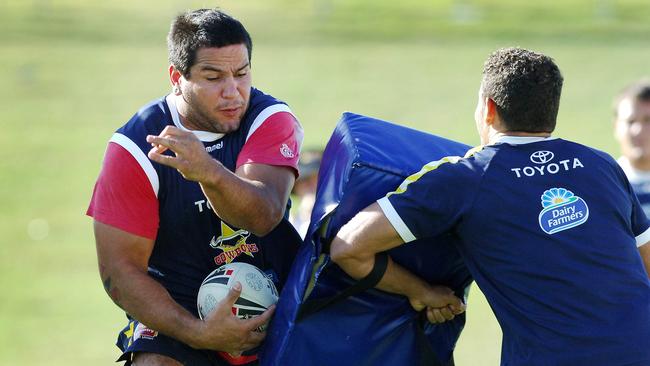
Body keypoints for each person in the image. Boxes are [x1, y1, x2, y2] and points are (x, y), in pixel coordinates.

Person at [330, 47, 650, 365]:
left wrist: (422, 292)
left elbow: (348, 247)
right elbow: (645, 263)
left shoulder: (464, 178)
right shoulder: (603, 165)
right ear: (552, 108)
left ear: (488, 109)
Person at [86, 9, 303, 366]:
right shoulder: (135, 148)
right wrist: (197, 333)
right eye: (213, 77)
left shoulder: (269, 119)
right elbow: (120, 271)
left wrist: (208, 172)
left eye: (242, 73)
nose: (233, 92)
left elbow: (263, 216)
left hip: (279, 300)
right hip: (178, 310)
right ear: (177, 77)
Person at [614, 79, 650, 216]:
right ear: (615, 126)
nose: (638, 130)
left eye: (648, 120)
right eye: (630, 122)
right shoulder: (607, 184)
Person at [288, 148, 322, 238]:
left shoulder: (340, 215)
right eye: (303, 180)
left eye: (314, 177)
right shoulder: (288, 221)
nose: (309, 184)